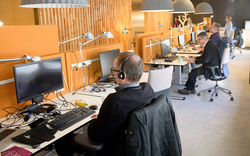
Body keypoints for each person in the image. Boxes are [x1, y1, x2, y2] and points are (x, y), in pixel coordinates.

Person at [54, 52, 155, 156]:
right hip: (135, 142)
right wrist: (106, 118)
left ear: (122, 75)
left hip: (114, 148)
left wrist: (97, 120)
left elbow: (94, 135)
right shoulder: (148, 89)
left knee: (61, 140)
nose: (113, 74)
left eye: (114, 70)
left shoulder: (115, 101)